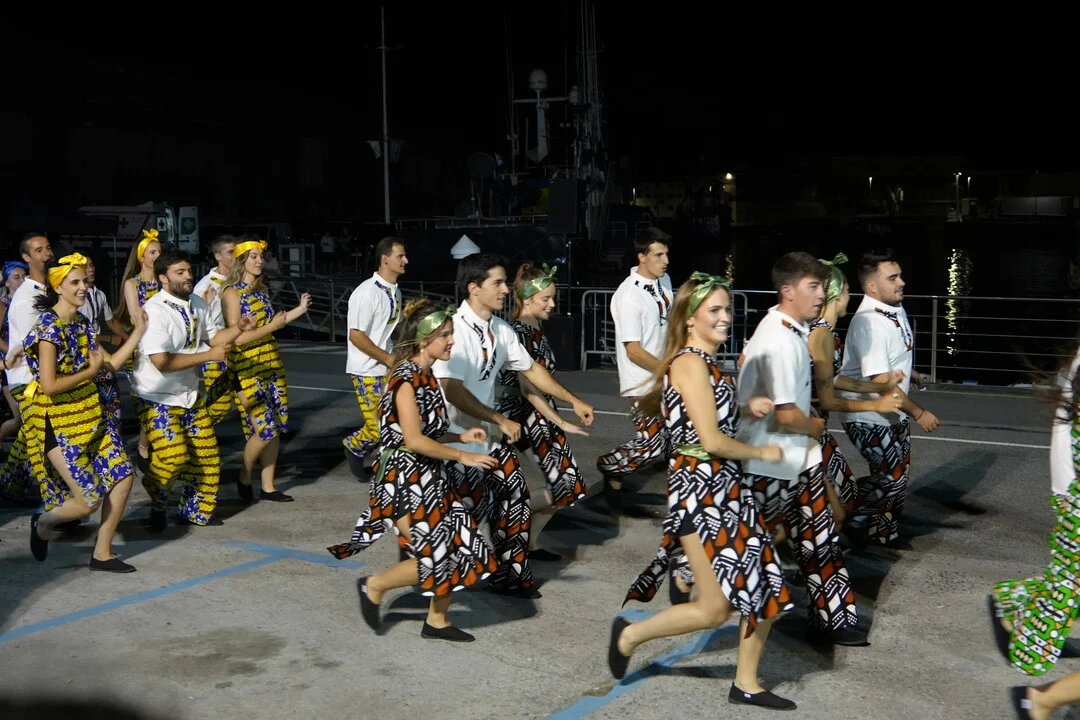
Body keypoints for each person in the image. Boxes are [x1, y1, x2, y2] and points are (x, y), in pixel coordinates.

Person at [611, 272, 796, 710]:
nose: (725, 316)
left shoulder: (707, 364)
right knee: (735, 600)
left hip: (725, 489)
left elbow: (709, 421)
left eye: (727, 308)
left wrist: (746, 408)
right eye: (714, 309)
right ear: (690, 318)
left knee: (738, 597)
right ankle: (634, 637)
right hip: (702, 493)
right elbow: (710, 441)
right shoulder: (690, 363)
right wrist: (763, 453)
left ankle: (740, 680)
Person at [328, 300, 498, 641]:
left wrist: (460, 436)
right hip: (403, 480)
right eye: (445, 335)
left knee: (465, 546)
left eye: (451, 334)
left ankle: (437, 620)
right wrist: (461, 455)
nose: (452, 341)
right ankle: (374, 586)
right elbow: (414, 440)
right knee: (437, 553)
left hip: (429, 476)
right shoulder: (405, 378)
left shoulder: (427, 374)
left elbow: (428, 432)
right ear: (423, 339)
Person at [434, 253, 594, 598]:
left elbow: (532, 371)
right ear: (474, 288)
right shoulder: (453, 331)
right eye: (498, 283)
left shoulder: (501, 330)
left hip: (488, 438)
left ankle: (511, 577)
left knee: (515, 497)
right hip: (453, 441)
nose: (507, 290)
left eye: (506, 282)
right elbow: (452, 389)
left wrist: (573, 400)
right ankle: (398, 583)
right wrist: (499, 418)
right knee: (458, 520)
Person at [738, 252, 870, 646]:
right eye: (813, 287)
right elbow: (786, 414)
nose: (821, 295)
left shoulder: (789, 329)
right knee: (749, 542)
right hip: (772, 462)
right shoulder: (780, 338)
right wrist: (815, 425)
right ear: (788, 290)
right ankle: (687, 571)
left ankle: (832, 619)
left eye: (823, 287)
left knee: (821, 539)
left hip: (797, 459)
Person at [26, 253, 146, 572]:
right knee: (88, 501)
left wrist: (138, 332)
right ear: (58, 287)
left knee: (123, 477)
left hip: (91, 414)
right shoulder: (47, 328)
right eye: (75, 282)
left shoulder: (81, 323)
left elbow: (111, 365)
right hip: (59, 422)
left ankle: (102, 553)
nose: (83, 287)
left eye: (84, 281)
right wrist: (89, 373)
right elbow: (49, 385)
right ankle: (43, 522)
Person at [131, 251, 252, 530]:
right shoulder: (155, 311)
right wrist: (208, 356)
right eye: (180, 272)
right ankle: (156, 490)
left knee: (207, 458)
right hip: (155, 397)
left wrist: (238, 328)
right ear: (163, 278)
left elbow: (214, 338)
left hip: (189, 395)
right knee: (174, 456)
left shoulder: (196, 302)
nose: (188, 276)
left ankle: (195, 512)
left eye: (188, 271)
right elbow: (161, 362)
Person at [838, 248, 941, 549]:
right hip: (868, 414)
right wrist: (919, 413)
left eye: (900, 276)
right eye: (893, 278)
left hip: (895, 410)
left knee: (899, 477)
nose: (902, 282)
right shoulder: (869, 322)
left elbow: (890, 358)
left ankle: (881, 535)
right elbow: (880, 381)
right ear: (872, 286)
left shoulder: (892, 307)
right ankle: (843, 517)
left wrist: (912, 373)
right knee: (890, 478)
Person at [495, 263, 588, 559]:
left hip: (541, 414)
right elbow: (528, 389)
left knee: (569, 486)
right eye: (545, 298)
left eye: (553, 297)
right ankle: (504, 512)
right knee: (567, 487)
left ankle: (530, 544)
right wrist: (561, 420)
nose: (552, 304)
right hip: (525, 415)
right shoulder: (519, 331)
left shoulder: (535, 327)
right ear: (526, 298)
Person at [808, 253, 905, 526]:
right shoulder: (821, 335)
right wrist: (875, 403)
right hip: (806, 431)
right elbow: (828, 399)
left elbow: (836, 379)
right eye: (848, 291)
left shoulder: (827, 333)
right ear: (836, 295)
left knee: (843, 495)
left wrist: (879, 385)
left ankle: (845, 531)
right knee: (846, 495)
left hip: (815, 431)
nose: (851, 297)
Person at [220, 237, 311, 502]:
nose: (260, 261)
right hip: (246, 368)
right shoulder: (231, 292)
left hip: (271, 362)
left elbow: (274, 323)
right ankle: (244, 474)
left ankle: (268, 486)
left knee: (275, 427)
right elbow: (236, 338)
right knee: (264, 429)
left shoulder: (261, 290)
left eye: (261, 256)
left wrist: (299, 309)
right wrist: (272, 327)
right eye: (254, 257)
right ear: (242, 261)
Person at [598, 227, 674, 509]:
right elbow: (634, 350)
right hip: (643, 380)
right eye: (658, 255)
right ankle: (610, 465)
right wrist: (670, 370)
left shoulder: (664, 280)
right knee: (651, 444)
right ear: (641, 256)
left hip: (665, 375)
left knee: (678, 435)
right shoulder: (629, 296)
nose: (666, 261)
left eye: (666, 254)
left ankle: (682, 492)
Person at [343, 237, 407, 478]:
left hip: (386, 367)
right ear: (385, 259)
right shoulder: (367, 293)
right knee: (377, 428)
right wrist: (388, 358)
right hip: (366, 369)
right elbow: (356, 335)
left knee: (394, 423)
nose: (406, 260)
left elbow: (392, 330)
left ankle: (387, 468)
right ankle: (353, 446)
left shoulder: (395, 291)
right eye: (400, 256)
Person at [0, 233, 54, 506]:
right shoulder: (26, 298)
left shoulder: (47, 290)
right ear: (26, 257)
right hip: (28, 377)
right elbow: (33, 344)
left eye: (48, 248)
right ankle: (55, 500)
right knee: (42, 437)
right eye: (39, 250)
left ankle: (10, 482)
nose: (47, 254)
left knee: (31, 434)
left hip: (42, 375)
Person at [192, 234, 238, 426]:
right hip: (216, 352)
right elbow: (196, 324)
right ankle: (196, 431)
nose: (235, 256)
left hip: (238, 349)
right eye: (230, 252)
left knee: (249, 401)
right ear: (218, 256)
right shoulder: (206, 285)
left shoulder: (238, 280)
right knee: (219, 406)